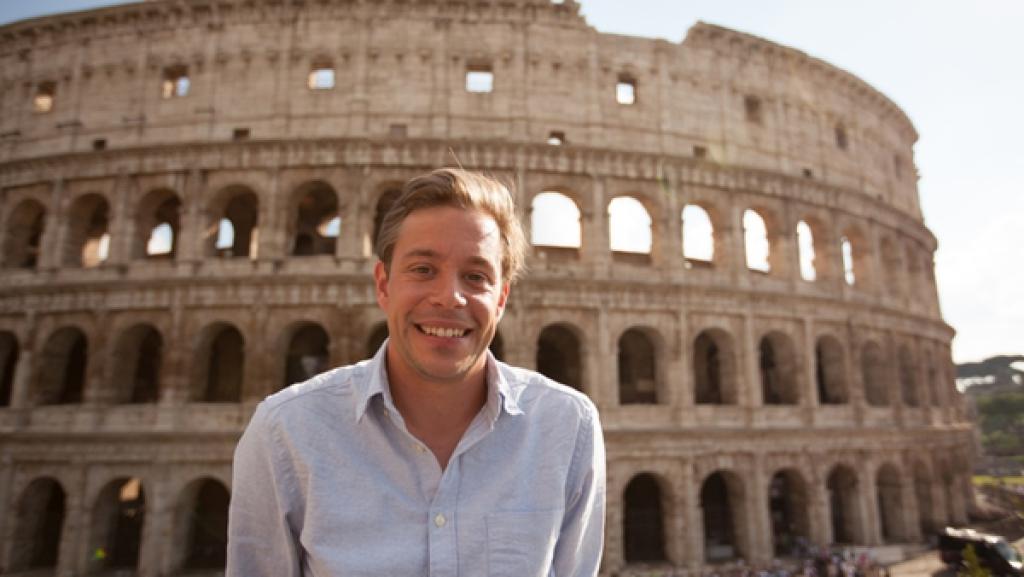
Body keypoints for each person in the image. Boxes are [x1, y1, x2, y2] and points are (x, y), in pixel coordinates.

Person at [226, 168, 606, 576]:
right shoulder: (286, 432)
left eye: (476, 276)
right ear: (383, 286)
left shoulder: (568, 428)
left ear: (501, 298)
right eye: (423, 269)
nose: (449, 297)